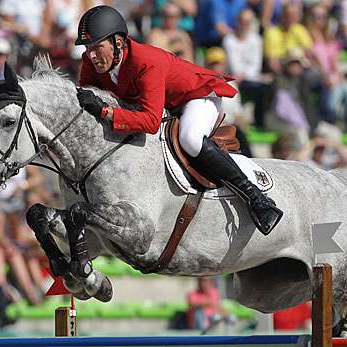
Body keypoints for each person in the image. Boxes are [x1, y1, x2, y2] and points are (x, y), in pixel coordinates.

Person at [74, 5, 282, 235]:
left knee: (190, 139)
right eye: (87, 47)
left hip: (197, 97)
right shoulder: (93, 63)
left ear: (119, 43)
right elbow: (83, 98)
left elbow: (150, 122)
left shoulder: (144, 61)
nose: (91, 55)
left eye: (97, 47)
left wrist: (107, 112)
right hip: (166, 105)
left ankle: (257, 198)